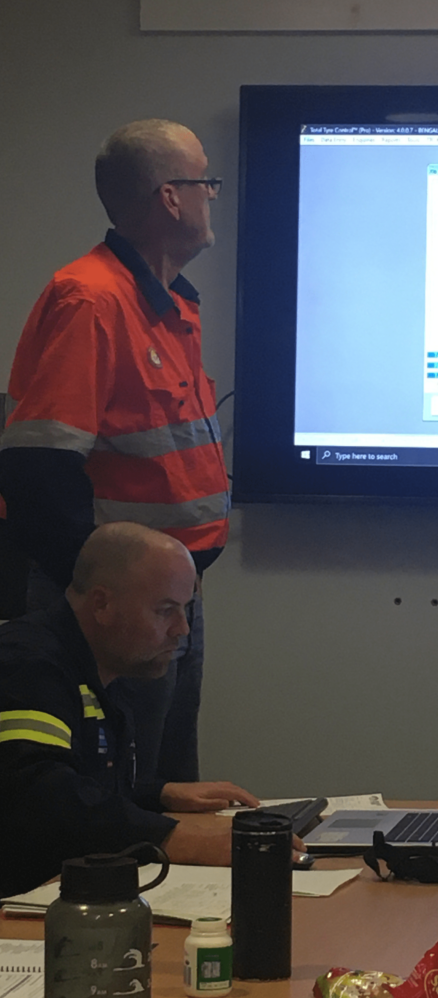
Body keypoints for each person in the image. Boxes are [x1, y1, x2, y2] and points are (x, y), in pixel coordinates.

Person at [0, 119, 229, 785]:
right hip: (118, 609)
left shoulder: (167, 306)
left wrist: (166, 599)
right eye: (205, 181)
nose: (211, 194)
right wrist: (105, 599)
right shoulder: (90, 299)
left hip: (167, 598)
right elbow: (37, 468)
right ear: (169, 197)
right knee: (114, 805)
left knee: (166, 786)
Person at [0, 523, 304, 899]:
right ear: (102, 604)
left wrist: (157, 793)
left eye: (185, 610)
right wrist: (177, 837)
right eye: (165, 611)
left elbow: (82, 782)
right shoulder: (27, 664)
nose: (182, 629)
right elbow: (39, 797)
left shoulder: (104, 666)